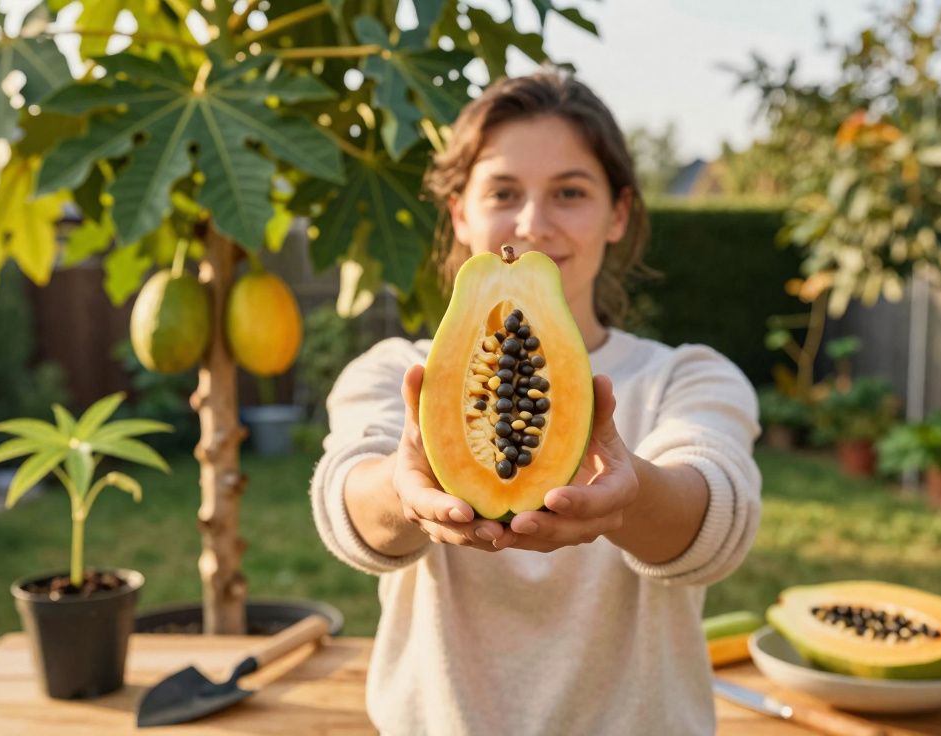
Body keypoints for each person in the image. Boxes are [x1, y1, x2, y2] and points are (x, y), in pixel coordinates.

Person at [309, 69, 762, 735]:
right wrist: (401, 492)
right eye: (502, 191)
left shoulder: (688, 378)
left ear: (618, 214)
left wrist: (633, 498)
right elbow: (346, 496)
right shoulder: (395, 372)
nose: (533, 222)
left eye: (569, 192)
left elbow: (719, 517)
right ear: (459, 212)